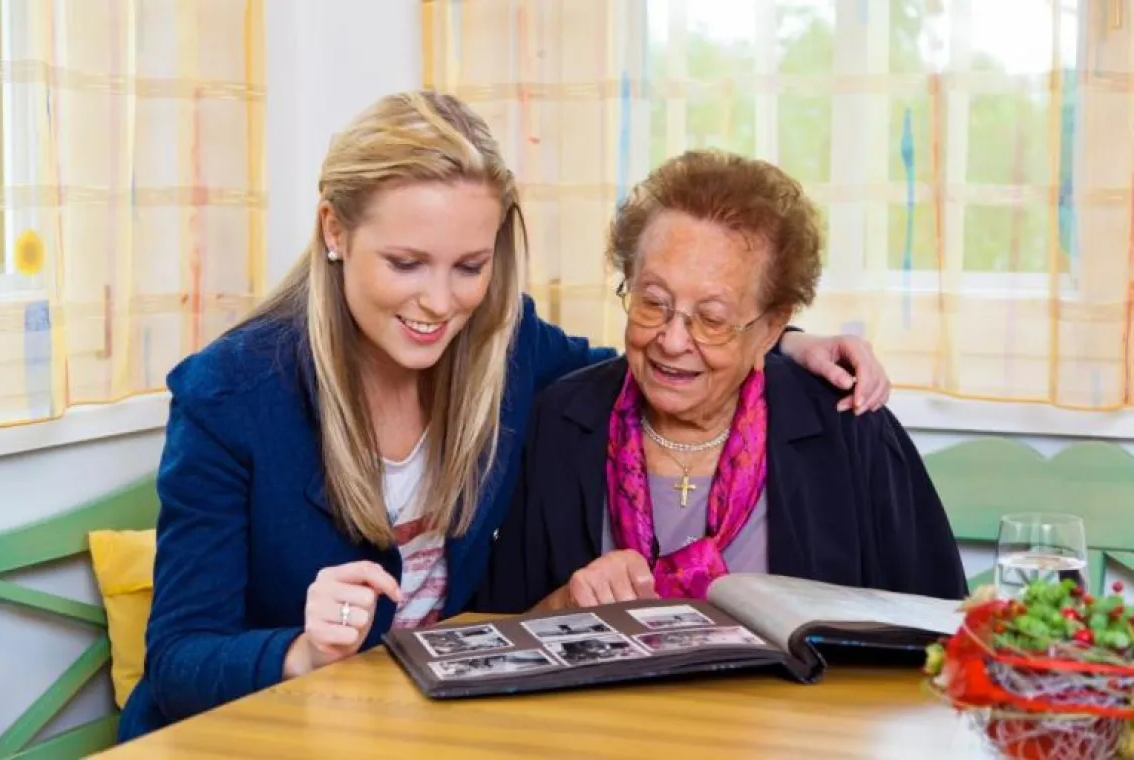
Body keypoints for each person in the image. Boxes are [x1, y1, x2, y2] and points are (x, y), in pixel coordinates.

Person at [117, 91, 892, 740]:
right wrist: (301, 652)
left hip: (422, 730)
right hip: (261, 735)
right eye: (405, 263)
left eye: (471, 267)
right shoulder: (231, 394)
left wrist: (781, 340)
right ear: (334, 230)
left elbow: (651, 360)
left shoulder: (504, 346)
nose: (440, 302)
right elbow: (179, 660)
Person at [472, 149, 967, 614]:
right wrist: (563, 608)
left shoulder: (849, 428)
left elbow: (940, 633)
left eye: (711, 319)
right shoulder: (560, 423)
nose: (671, 340)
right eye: (653, 302)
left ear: (771, 327)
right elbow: (495, 634)